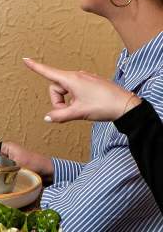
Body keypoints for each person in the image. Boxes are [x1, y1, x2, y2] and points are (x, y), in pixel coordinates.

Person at [0, 0, 163, 230]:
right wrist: (51, 169)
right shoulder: (139, 62)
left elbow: (68, 223)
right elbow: (136, 186)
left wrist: (6, 192)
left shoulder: (158, 93)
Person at [21, 58, 163, 214]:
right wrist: (48, 168)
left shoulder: (158, 85)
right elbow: (117, 179)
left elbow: (72, 220)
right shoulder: (132, 64)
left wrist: (17, 192)